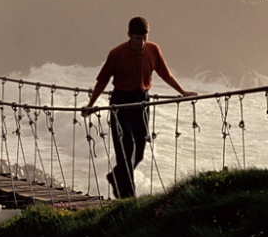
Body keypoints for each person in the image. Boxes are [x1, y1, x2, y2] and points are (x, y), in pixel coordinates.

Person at [82, 16, 197, 198]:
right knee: (126, 148)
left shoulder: (153, 50)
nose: (142, 42)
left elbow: (165, 75)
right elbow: (102, 80)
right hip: (121, 104)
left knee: (141, 151)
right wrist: (91, 105)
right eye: (138, 38)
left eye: (145, 37)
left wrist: (182, 92)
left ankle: (116, 176)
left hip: (142, 102)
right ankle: (129, 198)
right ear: (129, 35)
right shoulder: (117, 54)